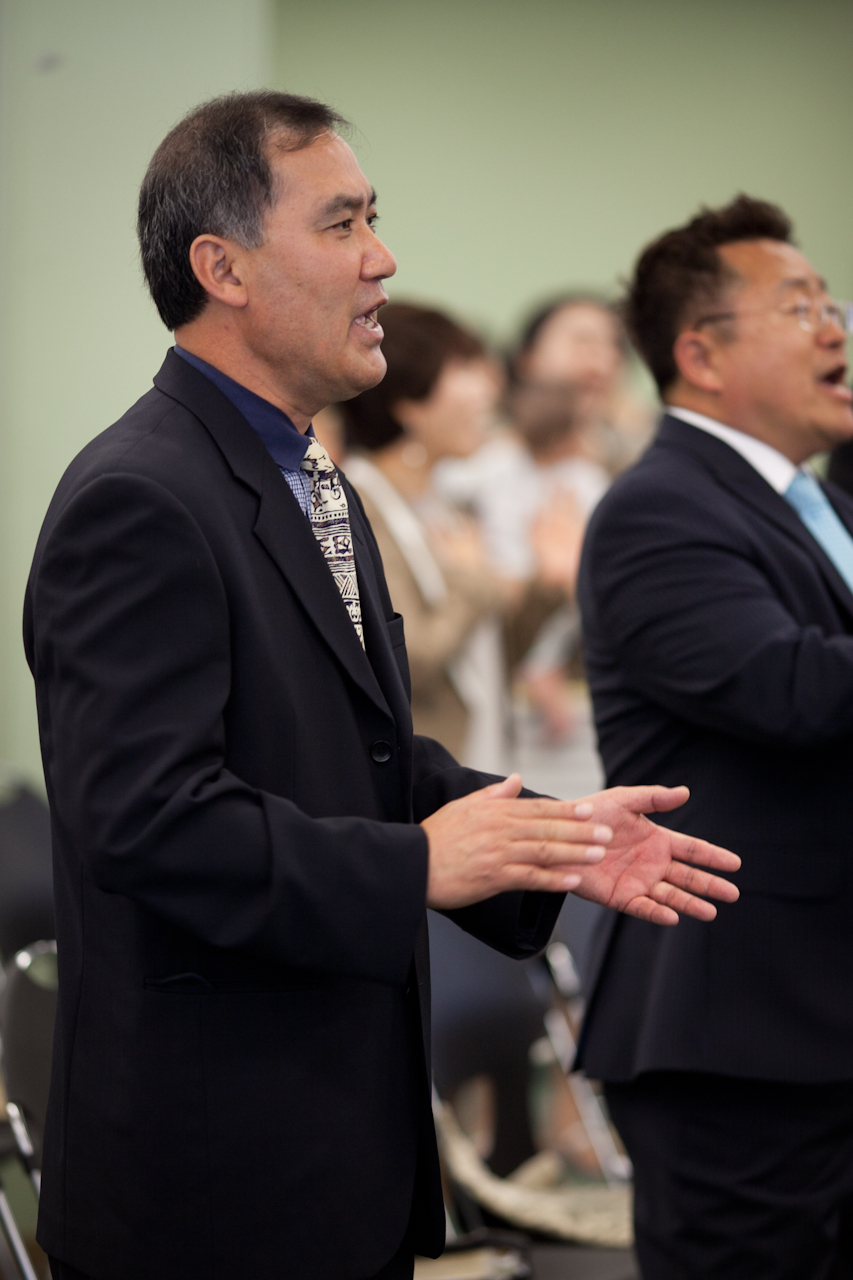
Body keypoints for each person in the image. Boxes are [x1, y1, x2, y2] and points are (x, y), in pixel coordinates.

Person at [24, 91, 740, 1280]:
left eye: (374, 218)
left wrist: (545, 837)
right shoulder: (139, 496)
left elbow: (362, 753)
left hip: (334, 1155)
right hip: (212, 1185)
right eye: (343, 222)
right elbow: (144, 819)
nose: (383, 259)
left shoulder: (312, 482)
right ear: (223, 268)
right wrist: (416, 864)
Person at [576, 195, 853, 1279]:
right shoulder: (657, 509)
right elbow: (788, 689)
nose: (833, 327)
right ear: (699, 354)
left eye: (831, 304)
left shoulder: (819, 505)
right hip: (740, 1028)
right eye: (800, 306)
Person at [340, 302, 509, 772]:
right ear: (409, 402)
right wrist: (473, 583)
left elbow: (485, 656)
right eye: (463, 368)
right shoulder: (360, 506)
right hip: (417, 778)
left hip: (474, 759)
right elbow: (405, 658)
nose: (487, 389)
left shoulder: (444, 505)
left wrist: (545, 589)